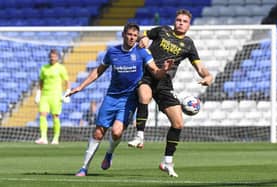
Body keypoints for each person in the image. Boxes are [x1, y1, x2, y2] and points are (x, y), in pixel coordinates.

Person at [67, 23, 174, 177]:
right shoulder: (112, 52)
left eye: (135, 35)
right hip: (111, 96)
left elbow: (156, 73)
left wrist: (164, 69)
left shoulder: (142, 52)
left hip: (129, 99)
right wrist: (80, 87)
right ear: (124, 35)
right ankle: (83, 168)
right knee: (98, 133)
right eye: (129, 34)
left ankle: (109, 153)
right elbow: (98, 71)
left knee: (117, 132)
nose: (132, 38)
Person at [128, 9, 213, 177]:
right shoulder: (162, 30)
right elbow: (142, 35)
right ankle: (139, 136)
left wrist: (208, 75)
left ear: (189, 25)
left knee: (178, 123)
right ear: (175, 21)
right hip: (148, 74)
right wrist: (143, 38)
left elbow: (199, 66)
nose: (181, 23)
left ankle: (167, 161)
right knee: (144, 96)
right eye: (179, 20)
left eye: (184, 21)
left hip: (165, 83)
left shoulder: (188, 44)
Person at [35, 49, 71, 145]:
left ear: (57, 57)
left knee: (55, 116)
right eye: (51, 56)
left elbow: (66, 81)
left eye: (54, 56)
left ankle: (56, 138)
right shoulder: (44, 68)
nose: (52, 58)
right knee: (42, 114)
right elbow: (41, 81)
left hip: (56, 95)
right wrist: (39, 93)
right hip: (45, 95)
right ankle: (43, 137)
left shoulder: (60, 68)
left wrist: (67, 93)